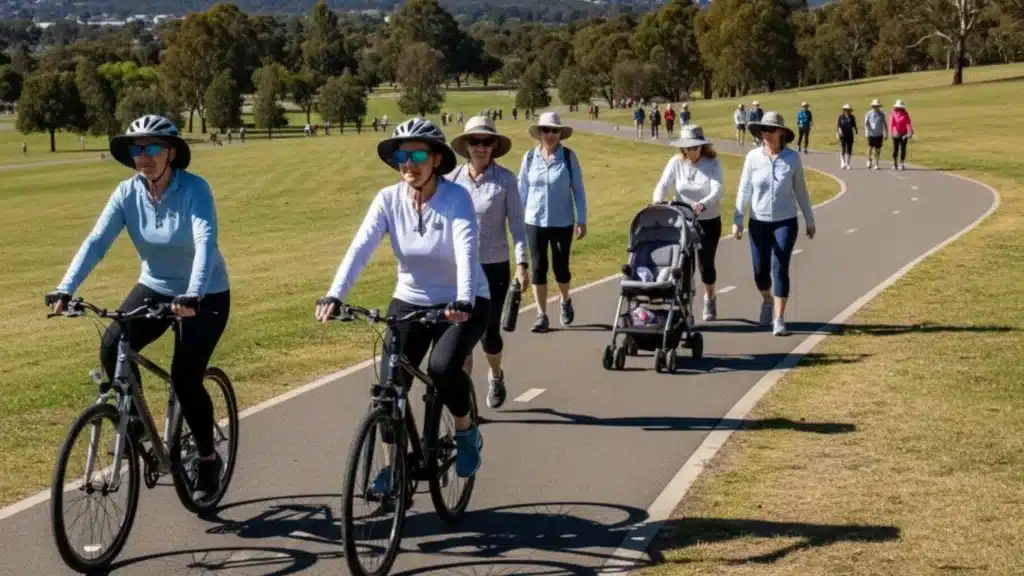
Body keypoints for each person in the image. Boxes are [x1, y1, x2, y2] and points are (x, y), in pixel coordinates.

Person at [44, 115, 231, 504]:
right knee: (114, 344)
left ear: (171, 152)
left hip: (206, 294)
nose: (141, 157)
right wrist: (66, 288)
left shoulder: (195, 189)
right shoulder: (126, 193)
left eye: (150, 148)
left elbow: (204, 242)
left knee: (184, 376)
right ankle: (140, 427)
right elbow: (97, 241)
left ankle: (209, 458)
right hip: (154, 286)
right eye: (135, 149)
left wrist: (194, 294)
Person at [315, 117, 489, 493]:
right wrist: (335, 293)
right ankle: (392, 469)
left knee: (443, 368)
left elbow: (465, 247)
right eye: (401, 155)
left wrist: (463, 298)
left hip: (465, 300)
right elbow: (360, 248)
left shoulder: (456, 198)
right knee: (389, 386)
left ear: (437, 160)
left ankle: (465, 428)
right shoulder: (388, 199)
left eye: (418, 155)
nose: (408, 164)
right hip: (410, 299)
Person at [447, 116, 530, 409]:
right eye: (475, 141)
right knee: (461, 338)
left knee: (489, 335)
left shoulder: (505, 180)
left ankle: (496, 374)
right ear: (466, 145)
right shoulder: (453, 180)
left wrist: (522, 265)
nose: (481, 147)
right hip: (461, 269)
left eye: (486, 141)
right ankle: (465, 402)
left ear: (494, 146)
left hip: (494, 267)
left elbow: (517, 226)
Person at [733, 111, 816, 336]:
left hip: (785, 222)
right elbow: (744, 188)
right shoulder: (752, 158)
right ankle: (767, 299)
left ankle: (779, 319)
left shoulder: (792, 158)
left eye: (770, 130)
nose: (766, 134)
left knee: (780, 266)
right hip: (758, 222)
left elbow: (801, 190)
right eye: (763, 130)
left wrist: (809, 219)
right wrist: (738, 218)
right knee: (760, 271)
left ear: (781, 132)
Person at [518, 111, 588, 333]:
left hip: (562, 221)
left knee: (561, 268)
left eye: (554, 131)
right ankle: (541, 314)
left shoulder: (569, 157)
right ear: (539, 133)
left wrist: (582, 219)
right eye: (546, 130)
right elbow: (522, 190)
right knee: (538, 267)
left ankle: (565, 300)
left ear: (560, 134)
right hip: (534, 220)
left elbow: (578, 190)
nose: (550, 135)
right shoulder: (529, 158)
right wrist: (517, 221)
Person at [652, 124, 725, 321]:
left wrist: (703, 203)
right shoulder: (676, 162)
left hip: (707, 221)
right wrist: (657, 201)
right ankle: (684, 308)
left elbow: (717, 189)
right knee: (684, 264)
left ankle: (709, 296)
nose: (691, 151)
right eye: (687, 148)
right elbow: (664, 183)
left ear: (702, 146)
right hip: (682, 220)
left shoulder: (712, 163)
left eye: (695, 147)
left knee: (705, 264)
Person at [864, 99, 888, 170]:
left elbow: (884, 123)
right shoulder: (868, 114)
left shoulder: (881, 114)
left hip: (879, 134)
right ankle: (869, 159)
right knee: (870, 148)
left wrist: (886, 132)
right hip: (871, 133)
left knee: (878, 149)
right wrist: (866, 132)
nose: (875, 107)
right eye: (874, 106)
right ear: (872, 106)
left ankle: (876, 163)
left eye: (877, 106)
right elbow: (866, 124)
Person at [889, 99, 913, 171]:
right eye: (898, 107)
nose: (899, 108)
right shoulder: (893, 114)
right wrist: (893, 132)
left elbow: (908, 123)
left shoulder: (905, 114)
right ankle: (894, 162)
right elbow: (891, 124)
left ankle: (902, 163)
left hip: (904, 134)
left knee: (903, 149)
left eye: (901, 107)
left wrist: (910, 131)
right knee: (895, 149)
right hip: (896, 134)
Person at [836, 103, 857, 170]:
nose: (847, 111)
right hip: (842, 135)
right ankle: (842, 162)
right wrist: (838, 133)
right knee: (843, 148)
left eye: (848, 110)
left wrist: (855, 131)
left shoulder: (852, 117)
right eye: (846, 110)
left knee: (849, 149)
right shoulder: (841, 117)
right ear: (844, 110)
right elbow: (838, 126)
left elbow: (854, 126)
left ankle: (848, 163)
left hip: (850, 135)